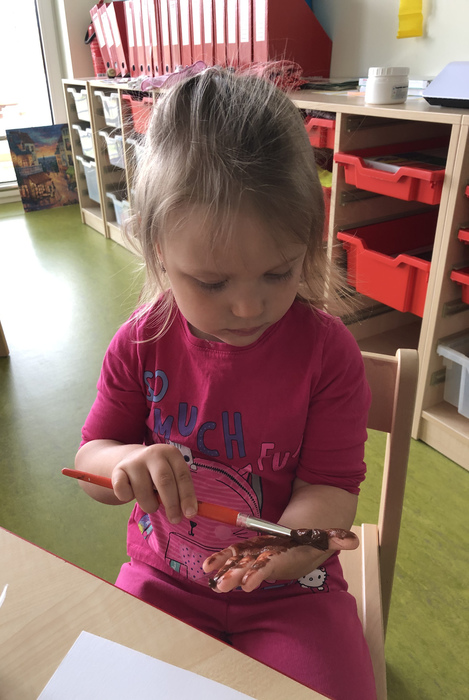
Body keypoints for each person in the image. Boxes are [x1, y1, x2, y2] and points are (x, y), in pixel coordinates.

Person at [75, 66, 376, 700]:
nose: (247, 307)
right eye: (212, 283)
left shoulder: (328, 355)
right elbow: (90, 462)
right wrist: (123, 464)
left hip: (294, 592)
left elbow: (329, 487)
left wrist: (284, 551)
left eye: (278, 273)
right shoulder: (140, 344)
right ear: (157, 247)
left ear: (310, 240)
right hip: (164, 581)